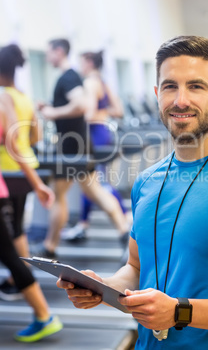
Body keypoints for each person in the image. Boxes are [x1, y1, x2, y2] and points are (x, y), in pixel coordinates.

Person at [57, 35, 208, 349]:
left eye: (195, 86)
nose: (180, 100)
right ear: (157, 94)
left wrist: (180, 312)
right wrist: (102, 287)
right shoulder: (145, 182)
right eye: (170, 86)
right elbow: (136, 268)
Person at [38, 39, 129, 257]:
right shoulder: (80, 78)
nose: (47, 57)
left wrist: (52, 113)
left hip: (72, 145)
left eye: (49, 52)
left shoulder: (69, 76)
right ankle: (125, 231)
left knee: (60, 195)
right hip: (82, 142)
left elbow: (81, 106)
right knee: (95, 190)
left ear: (59, 52)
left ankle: (49, 246)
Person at [0, 83, 62, 342]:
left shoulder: (5, 96)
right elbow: (23, 140)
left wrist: (38, 185)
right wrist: (36, 184)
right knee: (14, 239)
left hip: (7, 181)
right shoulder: (11, 97)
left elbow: (15, 141)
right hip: (8, 181)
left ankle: (43, 315)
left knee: (10, 253)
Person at [62, 50, 129, 242]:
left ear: (90, 63)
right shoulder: (103, 82)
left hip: (92, 133)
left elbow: (88, 113)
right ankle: (85, 223)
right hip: (103, 131)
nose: (80, 67)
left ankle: (120, 217)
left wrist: (70, 113)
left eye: (82, 63)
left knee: (92, 182)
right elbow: (118, 110)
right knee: (92, 181)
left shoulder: (90, 82)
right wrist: (102, 110)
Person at [0, 44, 47, 299]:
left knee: (13, 229)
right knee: (16, 225)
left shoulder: (2, 95)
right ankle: (20, 274)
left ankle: (20, 276)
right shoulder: (23, 96)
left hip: (8, 169)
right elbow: (35, 135)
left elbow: (8, 137)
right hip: (27, 165)